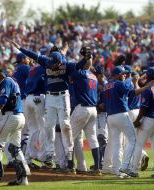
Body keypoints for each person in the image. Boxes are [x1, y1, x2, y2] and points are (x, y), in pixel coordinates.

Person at [10, 40, 76, 173]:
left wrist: (20, 48)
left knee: (34, 129)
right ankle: (45, 157)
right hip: (39, 98)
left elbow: (35, 55)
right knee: (44, 128)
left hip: (27, 99)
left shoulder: (37, 65)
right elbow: (59, 60)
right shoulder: (46, 63)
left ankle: (29, 157)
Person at [102, 66, 154, 177]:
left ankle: (117, 170)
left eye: (125, 73)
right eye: (122, 74)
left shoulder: (106, 86)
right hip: (121, 114)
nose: (125, 75)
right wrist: (146, 87)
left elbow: (103, 103)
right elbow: (132, 93)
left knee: (117, 144)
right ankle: (125, 167)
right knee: (133, 139)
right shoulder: (119, 83)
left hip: (110, 117)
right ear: (116, 75)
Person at [70, 54, 101, 175]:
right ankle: (97, 167)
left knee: (69, 137)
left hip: (82, 108)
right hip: (93, 110)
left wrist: (82, 62)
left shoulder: (81, 73)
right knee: (93, 139)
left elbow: (72, 71)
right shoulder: (94, 76)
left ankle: (70, 166)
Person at [132, 67, 154, 177]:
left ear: (149, 76)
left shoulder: (148, 89)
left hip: (150, 118)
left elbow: (143, 108)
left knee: (138, 144)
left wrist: (137, 120)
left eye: (147, 75)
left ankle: (134, 170)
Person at [13, 53, 30, 155]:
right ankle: (24, 157)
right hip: (24, 100)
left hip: (17, 101)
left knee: (20, 130)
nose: (28, 60)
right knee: (26, 131)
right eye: (27, 58)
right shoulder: (24, 67)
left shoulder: (16, 69)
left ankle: (17, 155)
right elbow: (34, 74)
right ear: (23, 59)